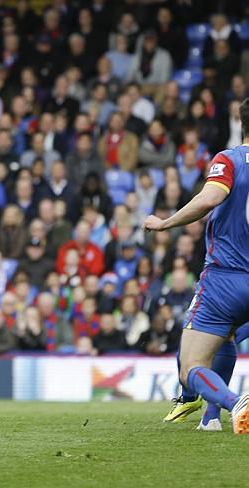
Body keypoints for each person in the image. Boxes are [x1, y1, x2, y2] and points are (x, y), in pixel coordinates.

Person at [142, 98, 249, 434]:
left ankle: (236, 404)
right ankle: (210, 419)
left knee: (190, 365)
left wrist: (164, 223)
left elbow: (210, 198)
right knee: (227, 336)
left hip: (225, 278)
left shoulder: (229, 160)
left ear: (240, 120)